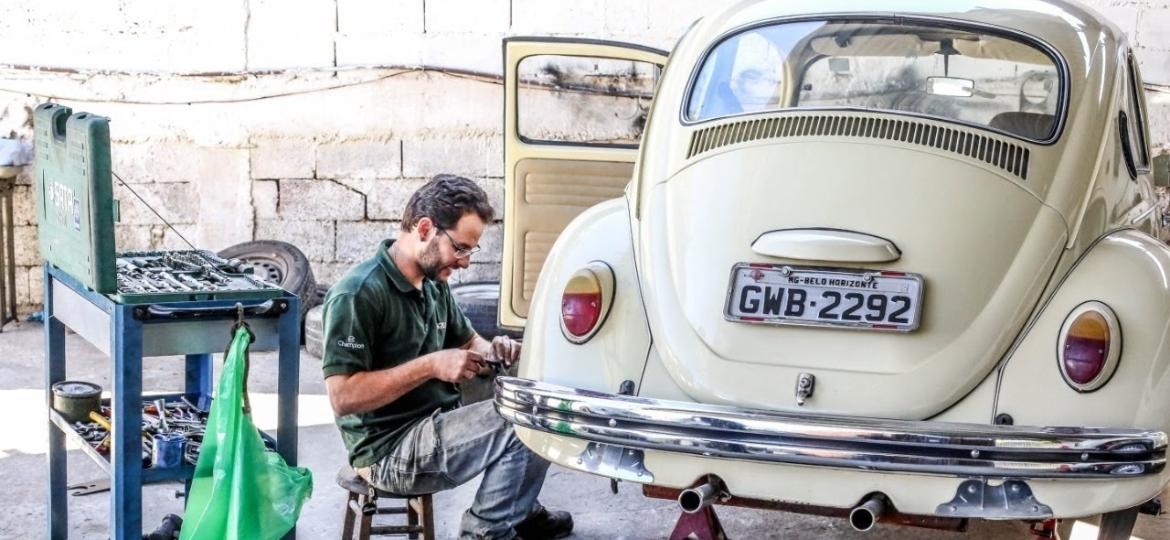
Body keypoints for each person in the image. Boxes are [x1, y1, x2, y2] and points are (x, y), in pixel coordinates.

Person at [321, 174, 573, 540]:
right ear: (425, 228)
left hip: (437, 417)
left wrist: (495, 350)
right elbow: (343, 398)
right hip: (390, 451)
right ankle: (485, 532)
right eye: (461, 248)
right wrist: (431, 365)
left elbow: (469, 341)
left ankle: (519, 505)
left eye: (471, 250)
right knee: (523, 418)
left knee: (537, 389)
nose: (466, 263)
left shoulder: (434, 284)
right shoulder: (358, 294)